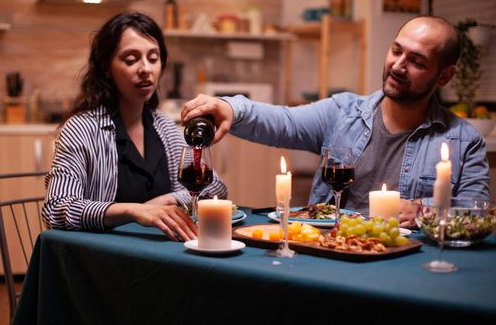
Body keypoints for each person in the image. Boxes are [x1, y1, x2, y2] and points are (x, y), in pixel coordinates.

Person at [181, 15, 490, 228]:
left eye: (417, 61)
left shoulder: (464, 141)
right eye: (396, 51)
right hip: (330, 256)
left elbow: (476, 219)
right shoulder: (342, 111)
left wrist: (424, 211)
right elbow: (283, 120)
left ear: (445, 76)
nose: (398, 65)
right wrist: (230, 108)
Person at [42, 12, 227, 241]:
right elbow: (57, 210)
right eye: (131, 60)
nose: (146, 69)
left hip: (167, 257)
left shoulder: (164, 127)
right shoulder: (81, 130)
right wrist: (133, 211)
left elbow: (216, 188)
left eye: (153, 58)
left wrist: (168, 200)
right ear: (106, 68)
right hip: (105, 258)